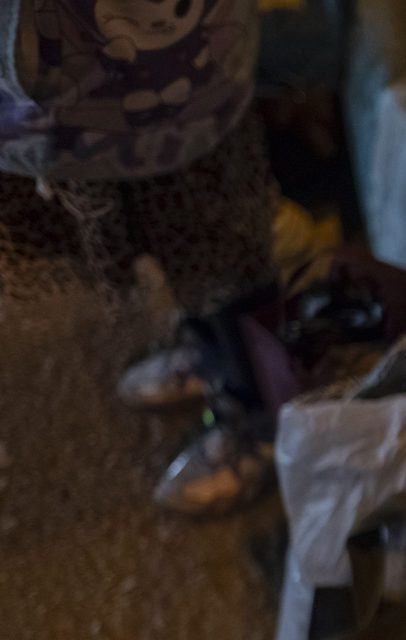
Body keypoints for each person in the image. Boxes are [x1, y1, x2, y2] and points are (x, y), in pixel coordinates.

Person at [0, 0, 276, 515]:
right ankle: (209, 352)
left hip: (178, 83)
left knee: (222, 255)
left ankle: (257, 419)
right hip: (64, 106)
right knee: (163, 246)